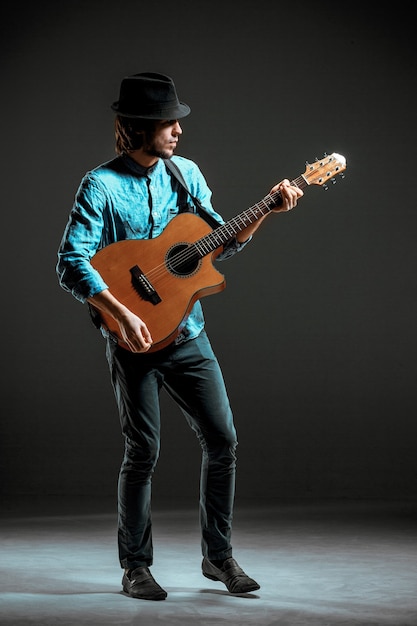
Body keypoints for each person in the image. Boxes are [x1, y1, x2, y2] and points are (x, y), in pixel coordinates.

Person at [56, 72, 303, 601]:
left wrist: (266, 212)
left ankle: (218, 558)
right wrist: (120, 313)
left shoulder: (185, 174)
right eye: (168, 122)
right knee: (143, 450)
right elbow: (71, 262)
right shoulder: (99, 185)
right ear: (141, 127)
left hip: (187, 332)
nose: (177, 131)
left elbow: (219, 243)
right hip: (134, 341)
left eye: (176, 121)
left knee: (223, 440)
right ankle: (136, 568)